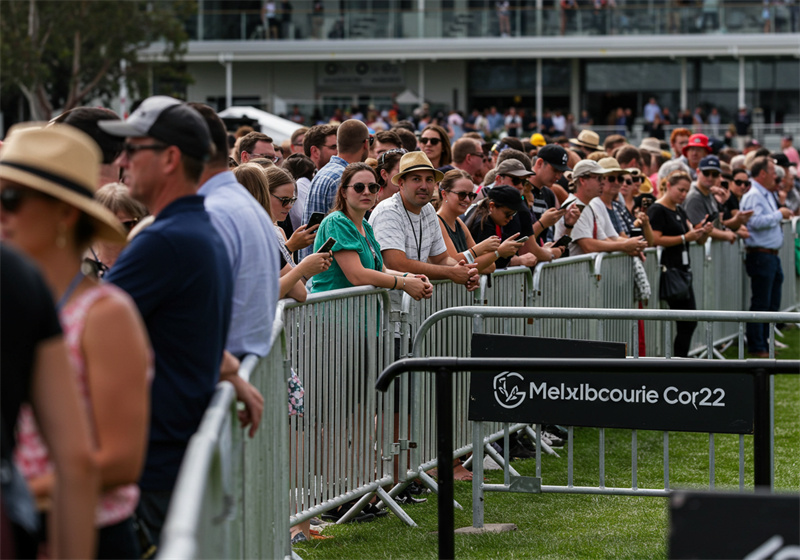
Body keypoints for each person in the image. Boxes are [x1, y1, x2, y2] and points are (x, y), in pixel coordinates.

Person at [0, 123, 151, 558]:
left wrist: (16, 486)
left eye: (11, 199)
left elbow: (120, 460)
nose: (1, 214)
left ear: (66, 214)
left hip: (89, 534)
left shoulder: (106, 314)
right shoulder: (21, 302)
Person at [98, 96, 234, 545]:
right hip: (171, 449)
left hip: (153, 459)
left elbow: (82, 328)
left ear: (170, 158)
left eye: (133, 150)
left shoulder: (165, 240)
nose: (121, 161)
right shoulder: (196, 230)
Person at [0, 245, 100, 560]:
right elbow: (75, 461)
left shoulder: (18, 277)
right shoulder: (17, 276)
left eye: (12, 200)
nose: (5, 215)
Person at [309, 162, 432, 299]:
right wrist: (403, 283)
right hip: (334, 315)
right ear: (344, 192)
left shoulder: (365, 225)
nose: (366, 192)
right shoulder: (337, 222)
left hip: (360, 315)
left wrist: (412, 277)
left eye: (372, 187)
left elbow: (381, 270)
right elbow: (357, 275)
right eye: (359, 187)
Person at [368, 151, 479, 290]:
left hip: (415, 305)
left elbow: (441, 259)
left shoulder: (428, 210)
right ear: (401, 183)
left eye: (429, 180)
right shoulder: (388, 211)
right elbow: (396, 264)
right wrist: (451, 272)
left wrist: (465, 272)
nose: (424, 186)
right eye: (416, 179)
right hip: (389, 306)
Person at [648, 170, 713, 357]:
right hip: (670, 271)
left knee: (688, 321)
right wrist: (685, 237)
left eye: (686, 191)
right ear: (668, 186)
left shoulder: (679, 209)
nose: (684, 194)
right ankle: (679, 360)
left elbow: (696, 239)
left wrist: (704, 231)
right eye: (680, 190)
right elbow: (655, 239)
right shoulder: (658, 209)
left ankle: (680, 359)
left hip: (683, 271)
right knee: (687, 321)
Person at [740, 156, 794, 357]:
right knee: (761, 303)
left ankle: (764, 341)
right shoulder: (754, 194)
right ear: (762, 173)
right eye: (772, 172)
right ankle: (757, 345)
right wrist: (779, 214)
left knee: (770, 303)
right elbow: (756, 222)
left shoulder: (764, 194)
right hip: (761, 254)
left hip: (770, 254)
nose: (775, 176)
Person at [301, 119, 371, 258]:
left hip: (313, 268)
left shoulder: (326, 171)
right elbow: (345, 238)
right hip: (330, 271)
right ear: (366, 144)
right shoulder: (343, 177)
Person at [436, 169, 503, 273]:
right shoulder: (437, 222)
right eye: (462, 194)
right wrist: (485, 249)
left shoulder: (458, 222)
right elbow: (452, 262)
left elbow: (490, 266)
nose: (467, 199)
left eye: (471, 195)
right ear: (444, 194)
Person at [91, 182, 149, 274]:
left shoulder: (148, 263)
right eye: (108, 225)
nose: (116, 232)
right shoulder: (79, 264)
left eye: (126, 225)